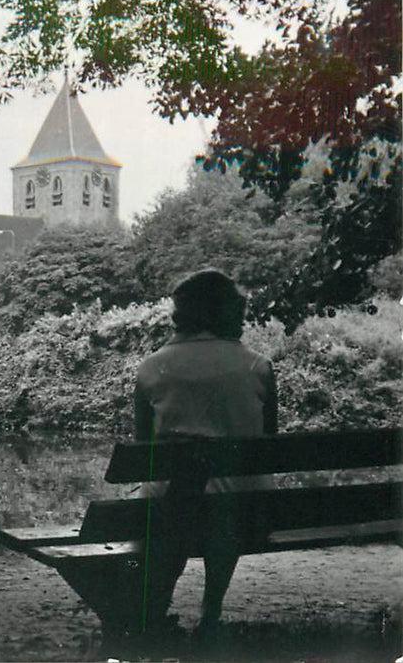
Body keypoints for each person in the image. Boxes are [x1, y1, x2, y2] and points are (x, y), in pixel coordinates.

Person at [133, 268, 278, 636]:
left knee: (172, 494)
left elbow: (142, 451)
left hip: (173, 511)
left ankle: (156, 605)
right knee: (221, 497)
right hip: (245, 513)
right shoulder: (258, 367)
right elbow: (270, 443)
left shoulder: (151, 368)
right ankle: (210, 610)